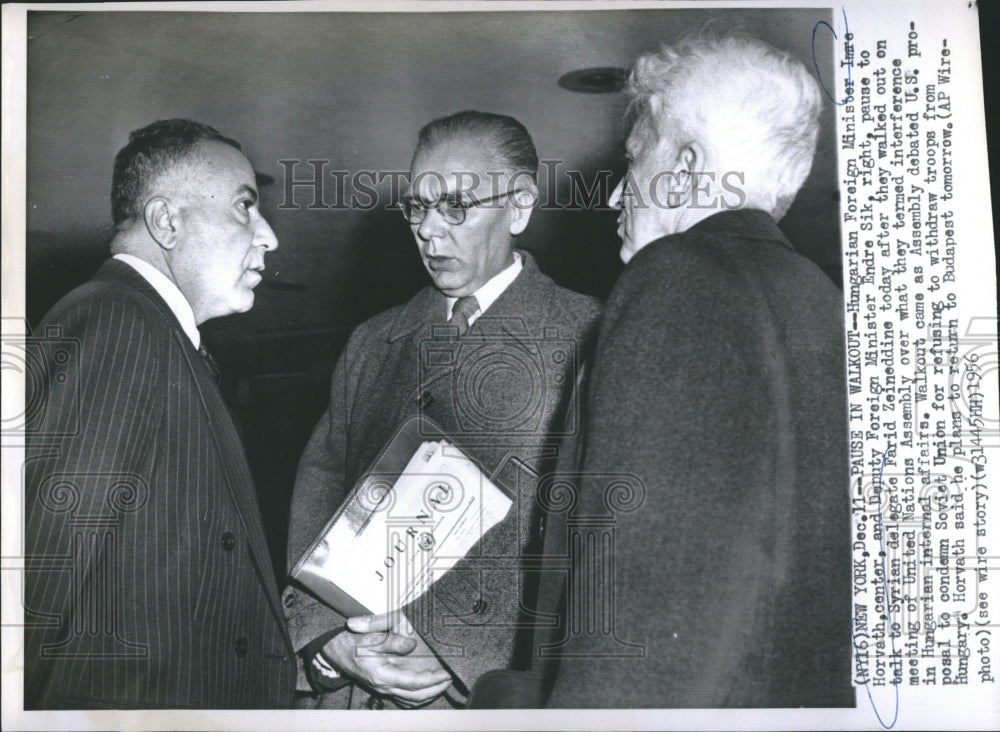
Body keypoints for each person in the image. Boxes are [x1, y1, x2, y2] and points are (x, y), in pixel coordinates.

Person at [471, 35, 853, 708]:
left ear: (684, 167)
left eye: (634, 159)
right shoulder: (826, 303)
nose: (617, 193)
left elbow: (638, 590)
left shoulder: (677, 277)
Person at [283, 110, 601, 709]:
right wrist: (327, 643)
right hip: (349, 695)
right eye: (417, 206)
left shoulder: (590, 336)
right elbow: (320, 487)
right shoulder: (373, 342)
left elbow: (594, 548)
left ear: (520, 207)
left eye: (457, 205)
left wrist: (463, 650)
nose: (430, 230)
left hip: (487, 700)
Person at [23, 119, 296, 708]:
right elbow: (36, 579)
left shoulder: (162, 338)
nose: (268, 236)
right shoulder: (119, 322)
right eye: (244, 207)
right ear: (167, 222)